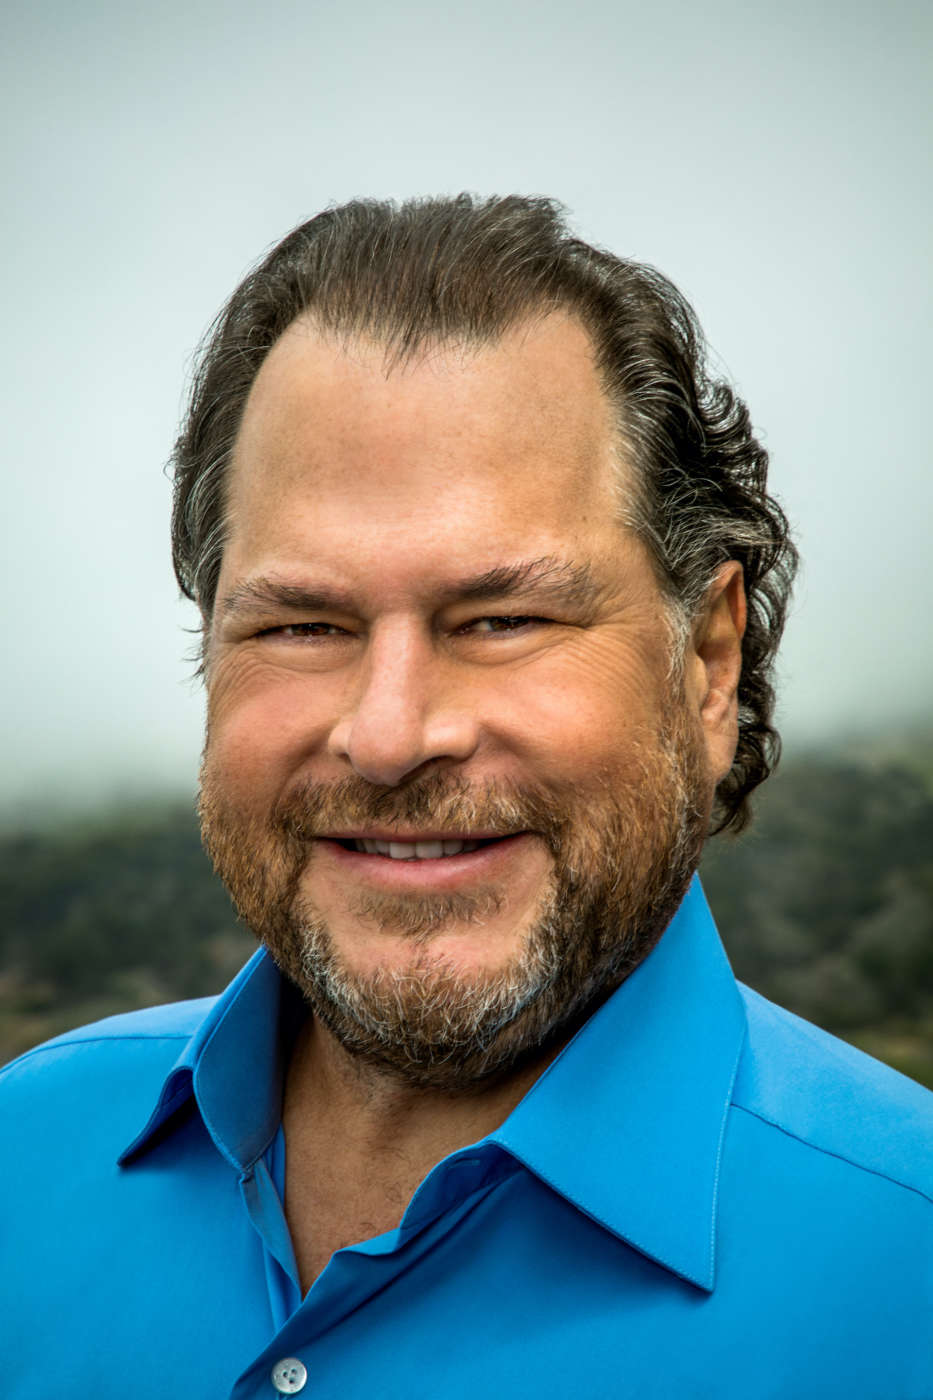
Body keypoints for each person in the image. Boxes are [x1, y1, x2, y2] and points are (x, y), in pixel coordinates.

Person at [2, 195, 931, 1399]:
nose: (389, 736)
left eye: (502, 618)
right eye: (302, 624)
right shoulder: (25, 1151)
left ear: (709, 662)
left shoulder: (904, 1271)